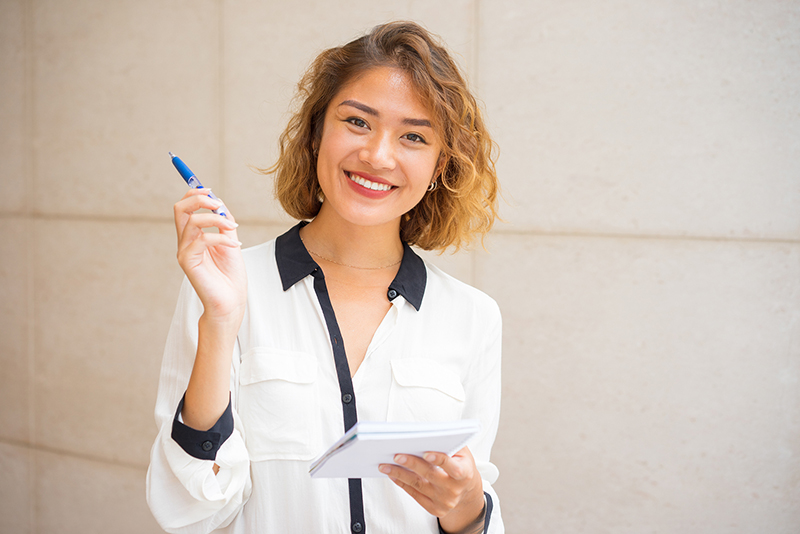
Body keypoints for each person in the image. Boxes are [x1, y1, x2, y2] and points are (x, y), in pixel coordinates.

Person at [146, 21, 503, 534]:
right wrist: (221, 321)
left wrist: (467, 502)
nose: (378, 156)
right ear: (317, 131)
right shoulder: (227, 287)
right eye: (358, 122)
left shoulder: (473, 317)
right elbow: (191, 510)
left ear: (440, 164)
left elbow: (472, 504)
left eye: (413, 136)